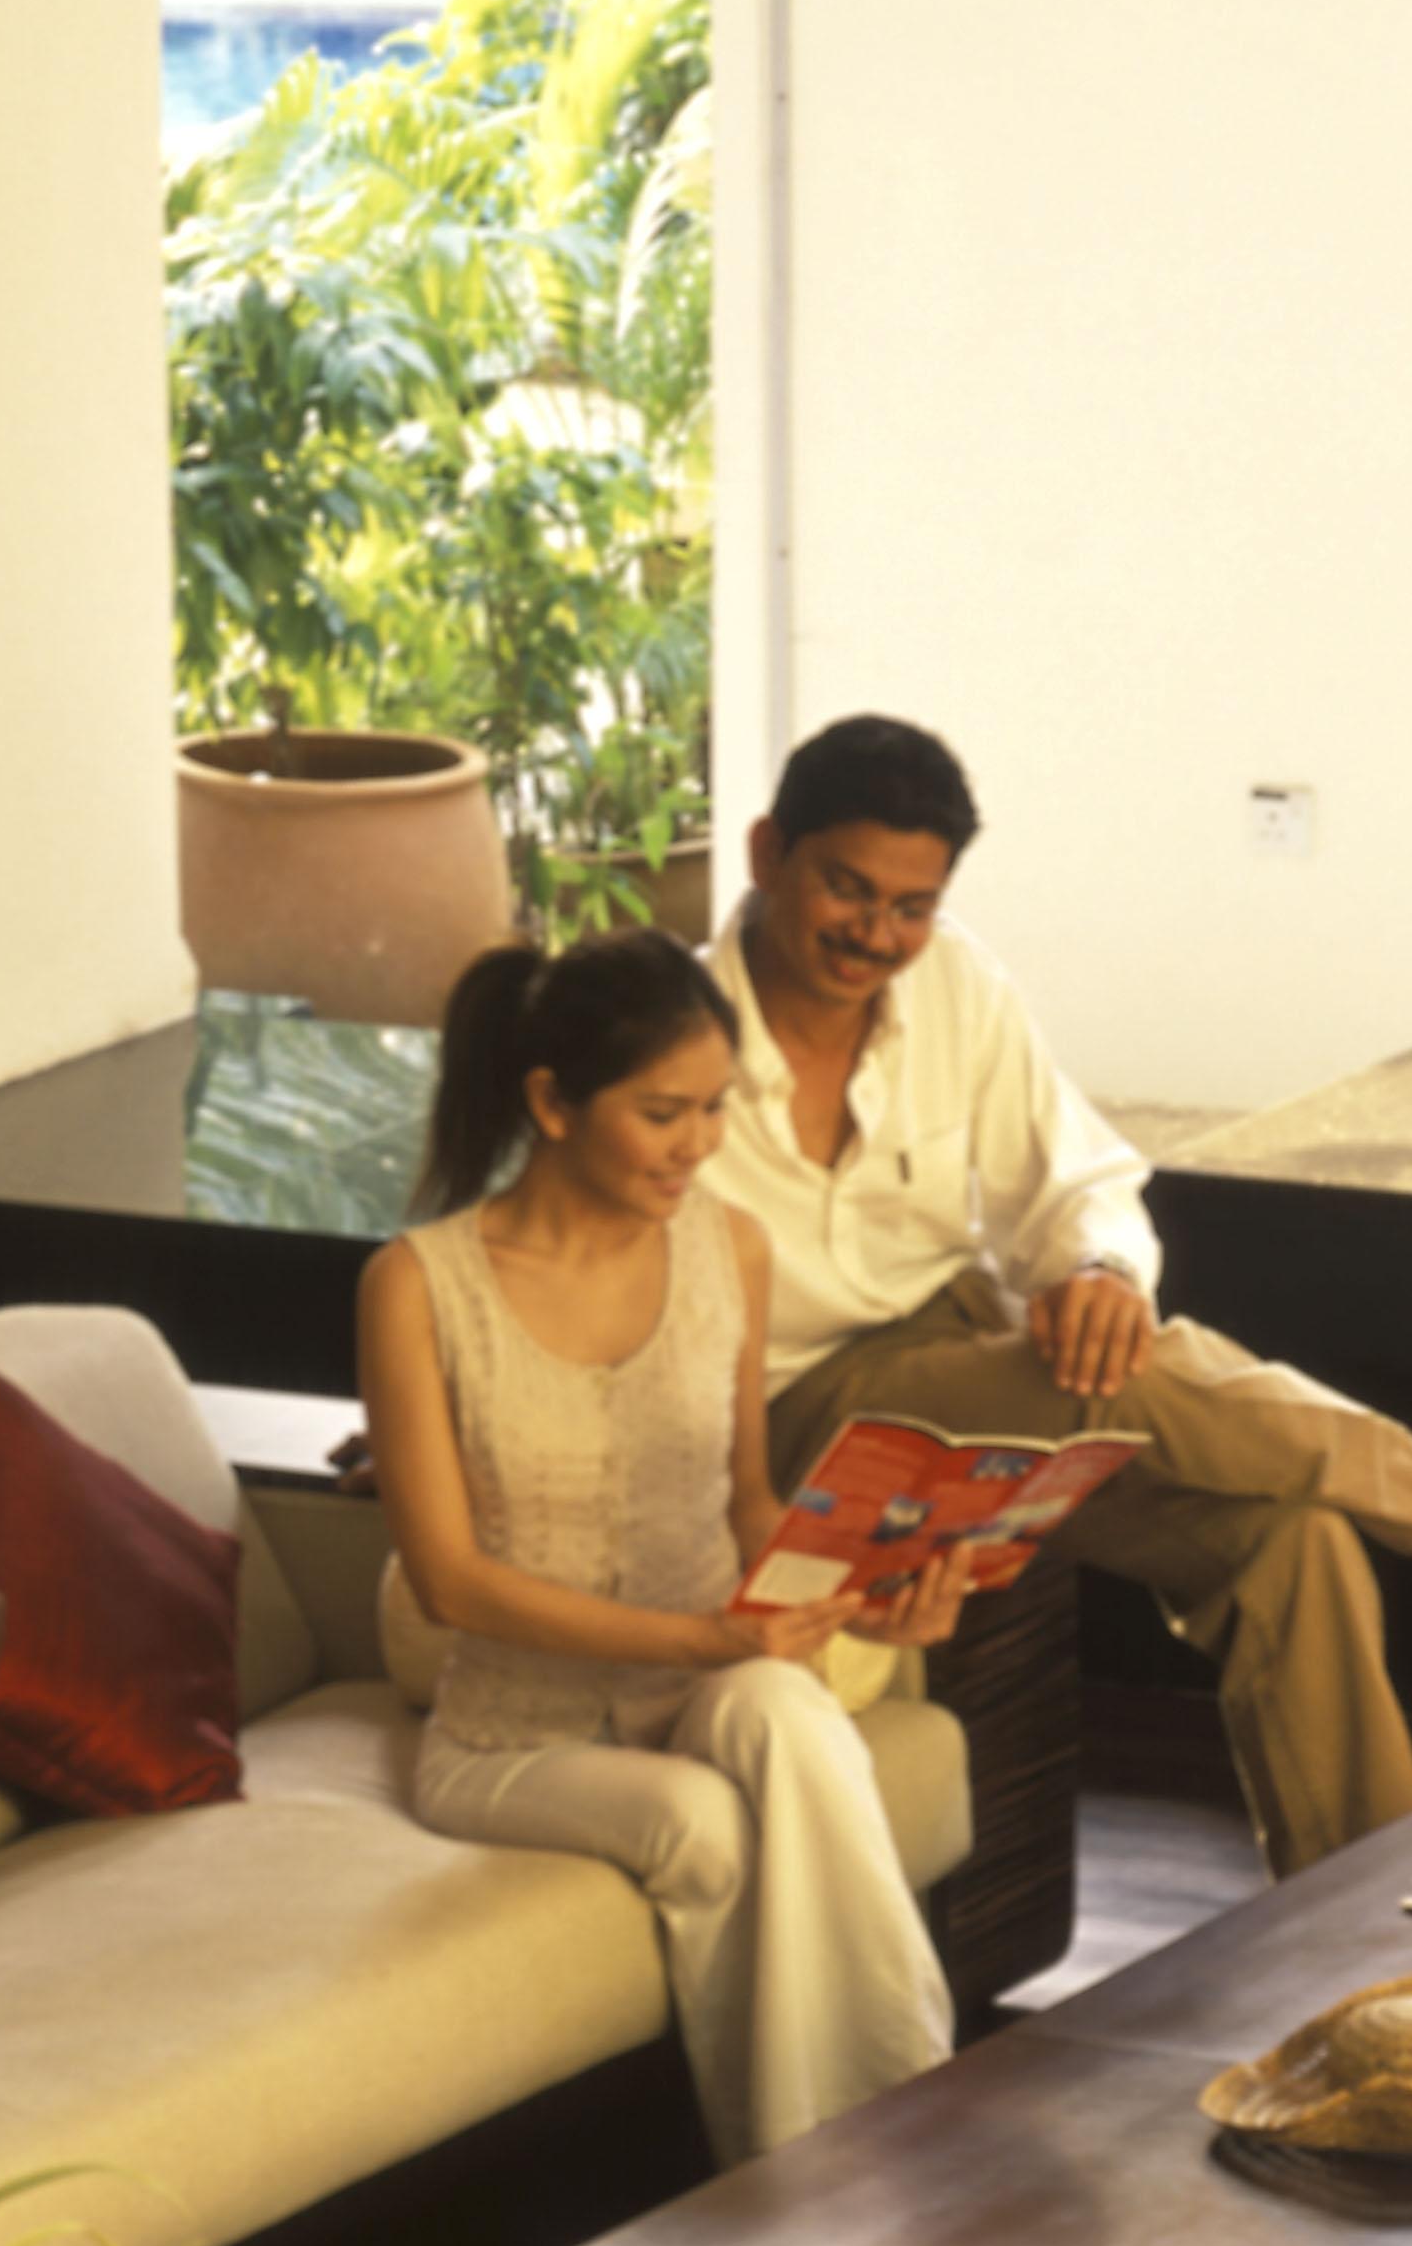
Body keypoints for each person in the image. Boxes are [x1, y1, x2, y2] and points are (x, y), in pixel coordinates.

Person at [708, 712, 1412, 1879]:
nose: (877, 934)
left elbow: (1078, 1181)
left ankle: (1361, 1937)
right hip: (803, 1418)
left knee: (1289, 1537)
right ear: (764, 854)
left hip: (974, 1378)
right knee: (1099, 1371)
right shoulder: (678, 1040)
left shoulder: (953, 982)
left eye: (912, 905)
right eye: (847, 891)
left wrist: (1096, 1267)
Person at [361, 919, 968, 2163]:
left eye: (714, 1110)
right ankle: (799, 2181)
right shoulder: (418, 1285)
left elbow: (748, 1499)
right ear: (553, 1101)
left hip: (707, 1678)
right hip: (510, 1738)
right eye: (662, 1113)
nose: (699, 1147)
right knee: (698, 1821)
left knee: (791, 1721)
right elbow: (449, 1582)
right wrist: (699, 1637)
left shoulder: (727, 1251)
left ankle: (905, 2143)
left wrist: (866, 1593)